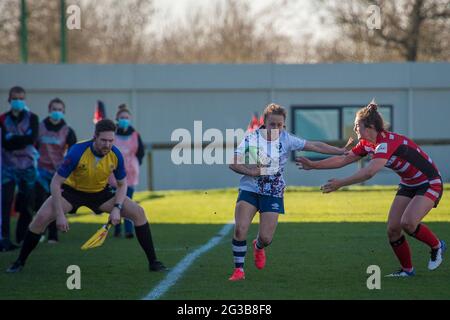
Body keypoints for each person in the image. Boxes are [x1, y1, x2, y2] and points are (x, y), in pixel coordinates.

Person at [297, 100, 445, 277]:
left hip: (429, 182)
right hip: (409, 183)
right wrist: (314, 165)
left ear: (370, 126)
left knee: (408, 222)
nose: (354, 129)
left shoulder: (386, 142)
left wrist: (341, 183)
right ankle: (407, 271)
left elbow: (370, 172)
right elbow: (343, 159)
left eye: (356, 125)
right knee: (393, 229)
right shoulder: (367, 143)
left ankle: (437, 246)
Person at [6, 119, 167, 273]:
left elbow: (122, 184)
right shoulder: (77, 151)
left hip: (100, 193)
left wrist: (117, 208)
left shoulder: (115, 154)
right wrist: (60, 216)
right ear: (94, 137)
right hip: (71, 193)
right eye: (104, 140)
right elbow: (55, 183)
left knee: (138, 213)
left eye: (111, 140)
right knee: (40, 219)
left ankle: (153, 262)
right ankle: (19, 261)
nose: (108, 144)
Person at [228, 103, 348, 281]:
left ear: (284, 125)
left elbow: (315, 146)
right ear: (264, 123)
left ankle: (258, 247)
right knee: (240, 229)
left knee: (266, 238)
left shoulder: (286, 139)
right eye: (272, 124)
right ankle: (239, 270)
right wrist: (251, 171)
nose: (276, 128)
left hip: (273, 191)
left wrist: (340, 150)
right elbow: (233, 163)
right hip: (250, 189)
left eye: (279, 125)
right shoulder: (252, 138)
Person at [0, 86, 39, 251]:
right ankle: (4, 240)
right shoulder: (2, 119)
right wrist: (21, 139)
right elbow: (4, 144)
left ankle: (22, 237)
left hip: (28, 167)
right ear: (9, 100)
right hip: (7, 167)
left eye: (21, 98)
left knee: (26, 204)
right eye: (15, 98)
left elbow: (32, 139)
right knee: (5, 203)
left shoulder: (32, 118)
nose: (18, 101)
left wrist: (13, 138)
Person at [34, 98, 77, 244]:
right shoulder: (39, 128)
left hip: (58, 174)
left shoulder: (68, 131)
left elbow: (73, 152)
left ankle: (53, 235)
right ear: (49, 110)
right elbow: (32, 147)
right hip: (40, 172)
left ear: (63, 112)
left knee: (54, 203)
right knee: (39, 203)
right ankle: (39, 231)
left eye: (59, 109)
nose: (56, 112)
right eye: (54, 109)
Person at [111, 104, 145, 239]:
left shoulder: (135, 135)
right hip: (113, 175)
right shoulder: (112, 135)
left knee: (128, 201)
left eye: (127, 117)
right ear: (117, 119)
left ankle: (129, 230)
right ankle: (117, 228)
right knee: (115, 202)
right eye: (122, 117)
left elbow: (140, 152)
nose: (124, 120)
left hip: (130, 174)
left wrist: (134, 165)